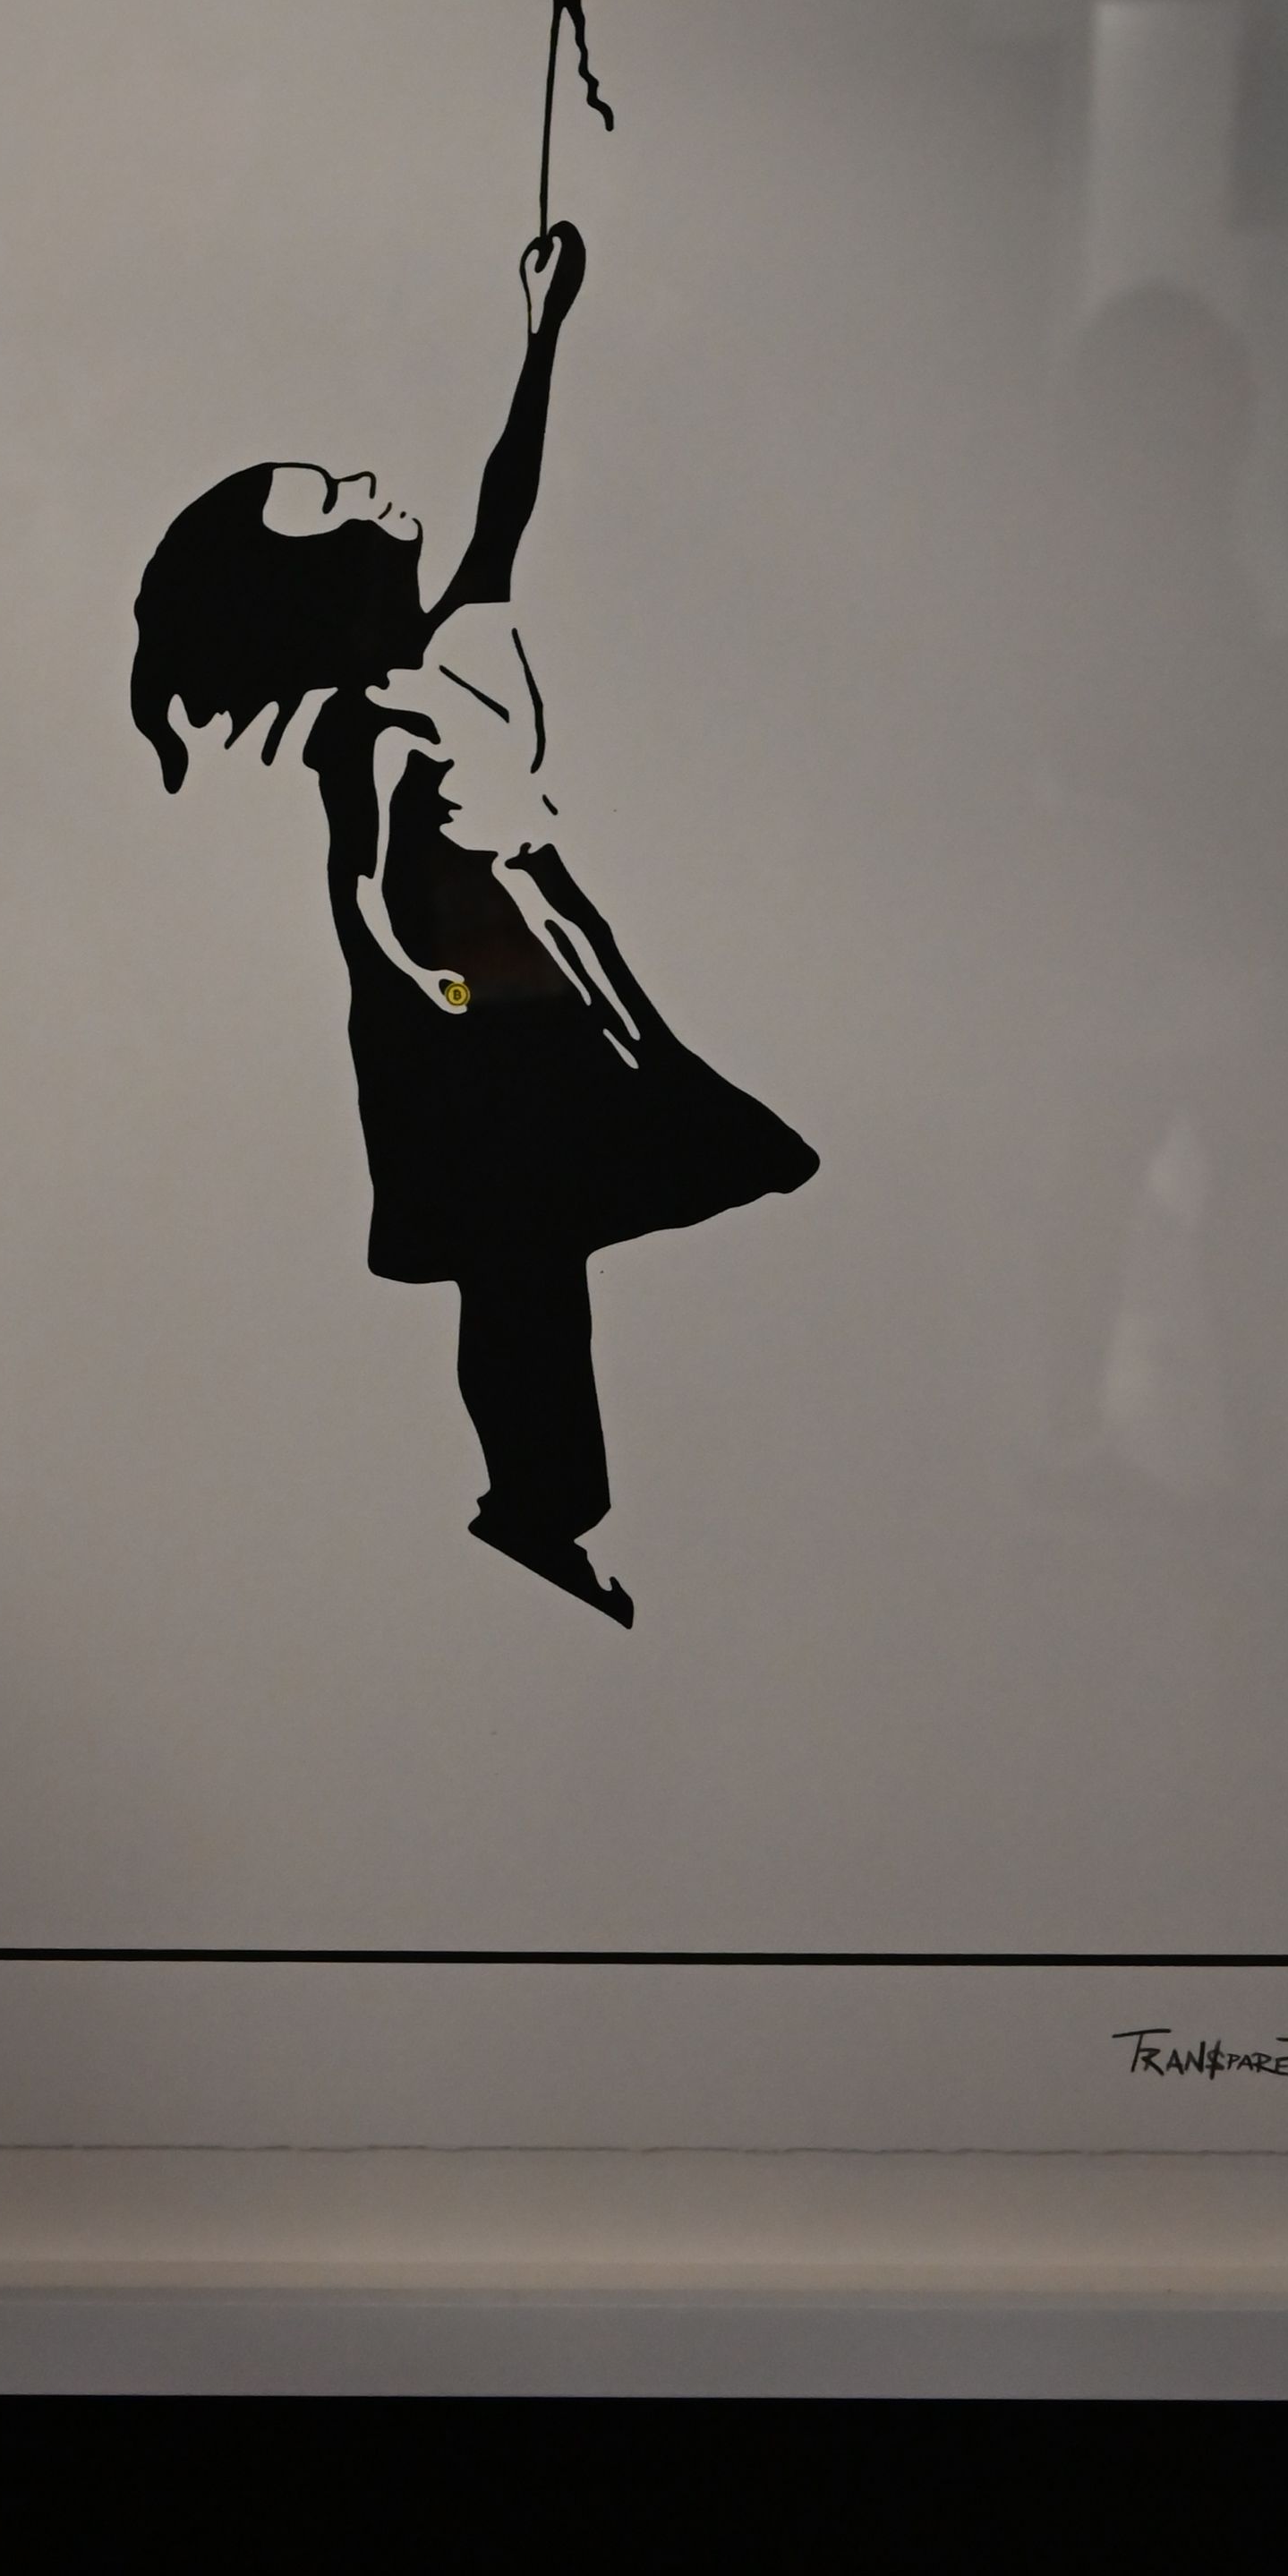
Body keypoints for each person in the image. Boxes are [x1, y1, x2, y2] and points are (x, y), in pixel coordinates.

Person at [131, 221, 817, 1625]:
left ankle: (542, 1506)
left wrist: (542, 332)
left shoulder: (450, 649)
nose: (375, 492)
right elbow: (367, 892)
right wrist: (435, 989)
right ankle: (536, 1506)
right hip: (469, 1030)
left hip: (527, 993)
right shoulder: (372, 729)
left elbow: (508, 497)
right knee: (519, 1269)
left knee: (537, 1264)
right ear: (320, 586)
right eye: (338, 503)